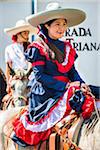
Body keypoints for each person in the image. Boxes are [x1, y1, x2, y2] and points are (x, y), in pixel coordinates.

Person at [7, 3, 94, 147]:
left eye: (64, 24)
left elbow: (72, 72)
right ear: (47, 25)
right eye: (57, 24)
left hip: (65, 91)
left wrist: (81, 83)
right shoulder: (38, 47)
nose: (62, 28)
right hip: (45, 94)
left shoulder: (66, 47)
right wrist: (66, 85)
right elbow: (40, 77)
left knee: (93, 94)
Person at [4, 19, 38, 93]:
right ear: (18, 34)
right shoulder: (9, 48)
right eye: (25, 33)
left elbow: (31, 64)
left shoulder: (31, 47)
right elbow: (8, 68)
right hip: (15, 78)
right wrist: (8, 83)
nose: (27, 35)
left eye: (27, 33)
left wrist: (26, 73)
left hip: (29, 77)